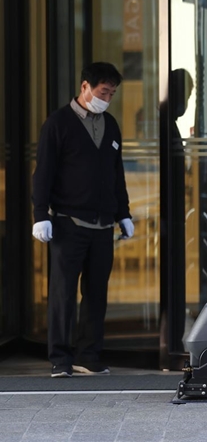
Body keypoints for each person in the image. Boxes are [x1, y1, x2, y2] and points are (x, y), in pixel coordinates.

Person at [32, 62, 133, 378]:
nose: (108, 98)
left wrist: (123, 213)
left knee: (96, 293)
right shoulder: (58, 124)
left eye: (112, 93)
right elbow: (43, 172)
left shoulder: (111, 125)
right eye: (104, 91)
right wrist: (40, 215)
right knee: (63, 293)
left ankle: (88, 355)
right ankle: (60, 358)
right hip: (68, 224)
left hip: (103, 226)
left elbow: (117, 175)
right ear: (85, 87)